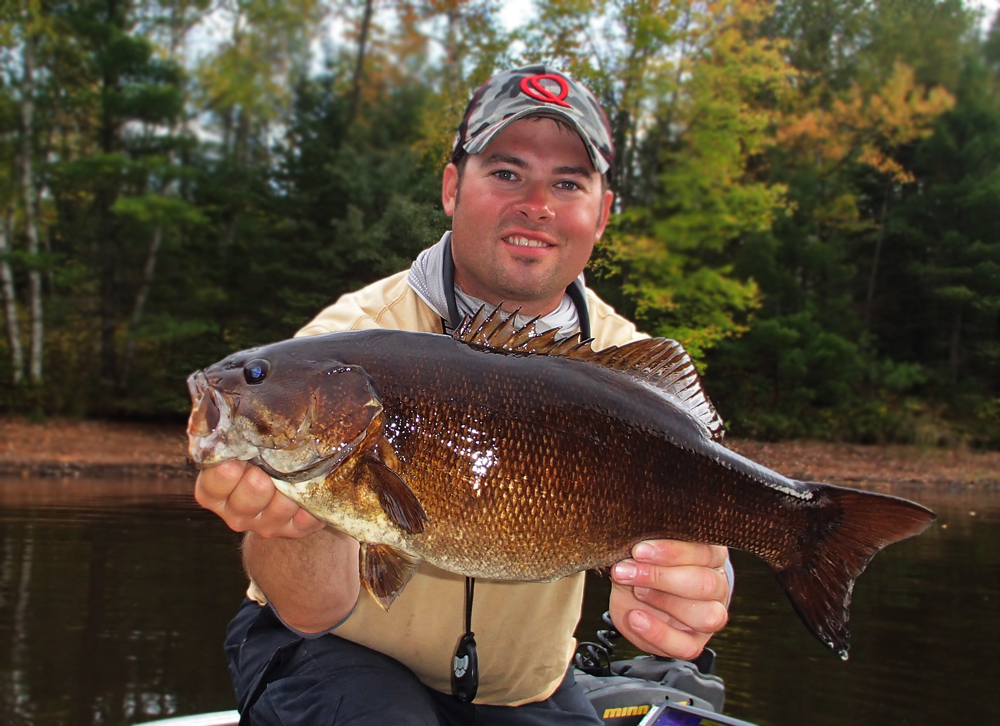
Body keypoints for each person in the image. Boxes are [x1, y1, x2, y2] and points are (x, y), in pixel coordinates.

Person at [195, 65, 732, 726]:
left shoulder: (624, 368)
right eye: (506, 173)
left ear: (603, 212)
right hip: (326, 651)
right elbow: (310, 610)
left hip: (523, 689)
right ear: (453, 187)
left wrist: (699, 585)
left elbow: (711, 502)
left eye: (567, 182)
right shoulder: (345, 341)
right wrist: (294, 528)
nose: (536, 204)